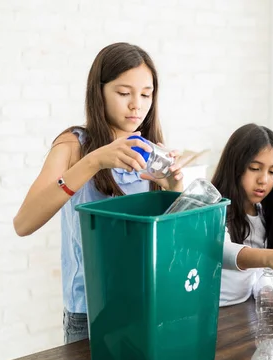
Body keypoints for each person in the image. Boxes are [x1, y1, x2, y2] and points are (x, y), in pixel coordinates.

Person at [13, 43, 184, 343]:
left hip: (148, 303)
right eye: (124, 93)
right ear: (99, 91)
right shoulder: (74, 145)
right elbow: (23, 223)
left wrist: (175, 192)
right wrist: (93, 161)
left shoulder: (151, 150)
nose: (137, 105)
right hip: (91, 314)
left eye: (146, 94)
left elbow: (170, 244)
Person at [211, 123, 273, 306]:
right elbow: (220, 250)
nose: (263, 180)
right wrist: (269, 257)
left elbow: (253, 276)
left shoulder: (262, 212)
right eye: (255, 168)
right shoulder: (213, 208)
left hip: (243, 308)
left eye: (272, 171)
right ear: (234, 166)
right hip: (215, 312)